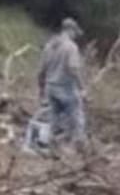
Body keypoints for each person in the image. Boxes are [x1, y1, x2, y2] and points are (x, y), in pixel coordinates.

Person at [37, 17, 87, 150]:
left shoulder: (49, 46)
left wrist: (41, 88)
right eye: (75, 33)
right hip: (66, 89)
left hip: (50, 87)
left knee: (52, 119)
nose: (75, 36)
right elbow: (73, 68)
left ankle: (48, 146)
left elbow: (41, 70)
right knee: (76, 118)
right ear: (70, 30)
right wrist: (82, 88)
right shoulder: (71, 47)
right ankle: (78, 147)